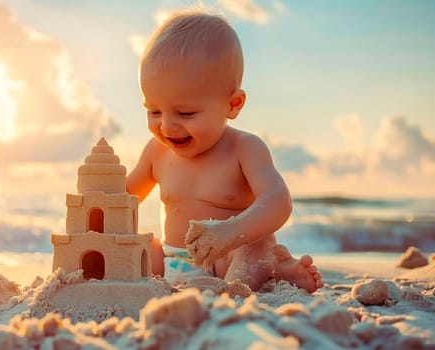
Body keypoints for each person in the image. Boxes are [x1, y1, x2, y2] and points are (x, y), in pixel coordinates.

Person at [126, 10, 323, 292]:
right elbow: (123, 200)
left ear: (233, 105)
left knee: (256, 247)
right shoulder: (156, 152)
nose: (167, 126)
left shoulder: (244, 149)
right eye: (154, 111)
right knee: (134, 247)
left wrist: (229, 233)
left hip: (228, 258)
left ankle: (262, 273)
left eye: (186, 112)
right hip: (172, 259)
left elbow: (279, 201)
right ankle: (273, 269)